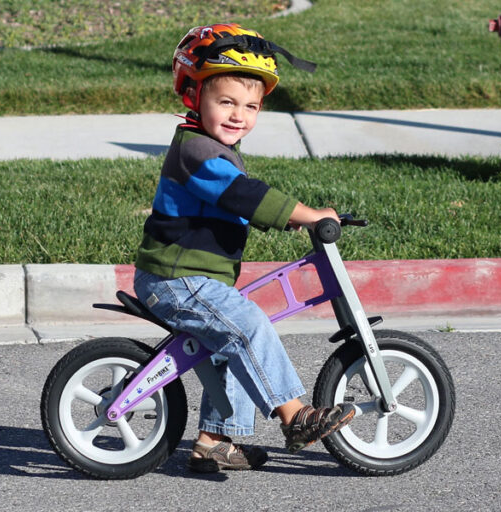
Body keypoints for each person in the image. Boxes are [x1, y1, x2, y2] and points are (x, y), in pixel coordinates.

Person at [133, 23, 355, 473]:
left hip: (194, 279)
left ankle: (214, 442)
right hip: (175, 280)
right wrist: (308, 214)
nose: (239, 115)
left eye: (251, 106)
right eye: (227, 102)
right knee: (248, 326)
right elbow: (245, 195)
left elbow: (236, 202)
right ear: (193, 97)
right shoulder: (196, 150)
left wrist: (291, 219)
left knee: (230, 344)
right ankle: (296, 417)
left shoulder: (211, 146)